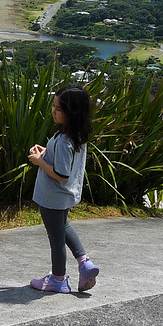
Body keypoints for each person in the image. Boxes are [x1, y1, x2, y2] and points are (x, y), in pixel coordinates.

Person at [28, 84, 100, 293]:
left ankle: (58, 279)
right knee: (64, 226)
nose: (53, 111)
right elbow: (63, 163)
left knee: (56, 237)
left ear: (72, 113)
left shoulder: (64, 140)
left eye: (58, 109)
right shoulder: (76, 136)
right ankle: (84, 263)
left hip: (53, 197)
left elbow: (61, 174)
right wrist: (45, 153)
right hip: (64, 196)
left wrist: (38, 161)